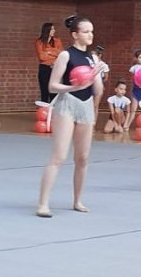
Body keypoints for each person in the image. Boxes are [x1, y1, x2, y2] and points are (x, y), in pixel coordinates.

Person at [36, 14, 104, 217]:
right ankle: (43, 203)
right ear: (75, 35)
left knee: (83, 158)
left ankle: (77, 200)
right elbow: (52, 86)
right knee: (59, 156)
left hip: (86, 105)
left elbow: (98, 91)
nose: (90, 35)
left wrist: (96, 74)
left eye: (92, 31)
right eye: (86, 31)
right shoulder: (66, 55)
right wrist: (73, 87)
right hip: (67, 103)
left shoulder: (93, 58)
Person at [35, 22, 64, 103]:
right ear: (47, 30)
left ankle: (53, 110)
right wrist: (55, 53)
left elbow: (61, 54)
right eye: (52, 29)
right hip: (44, 68)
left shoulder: (57, 41)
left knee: (54, 92)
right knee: (44, 92)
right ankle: (44, 110)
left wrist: (48, 52)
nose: (54, 31)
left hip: (55, 68)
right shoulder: (39, 42)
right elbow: (42, 57)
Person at [126, 50, 141, 130]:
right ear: (136, 58)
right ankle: (127, 125)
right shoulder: (133, 68)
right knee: (133, 109)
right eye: (140, 57)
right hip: (136, 90)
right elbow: (132, 79)